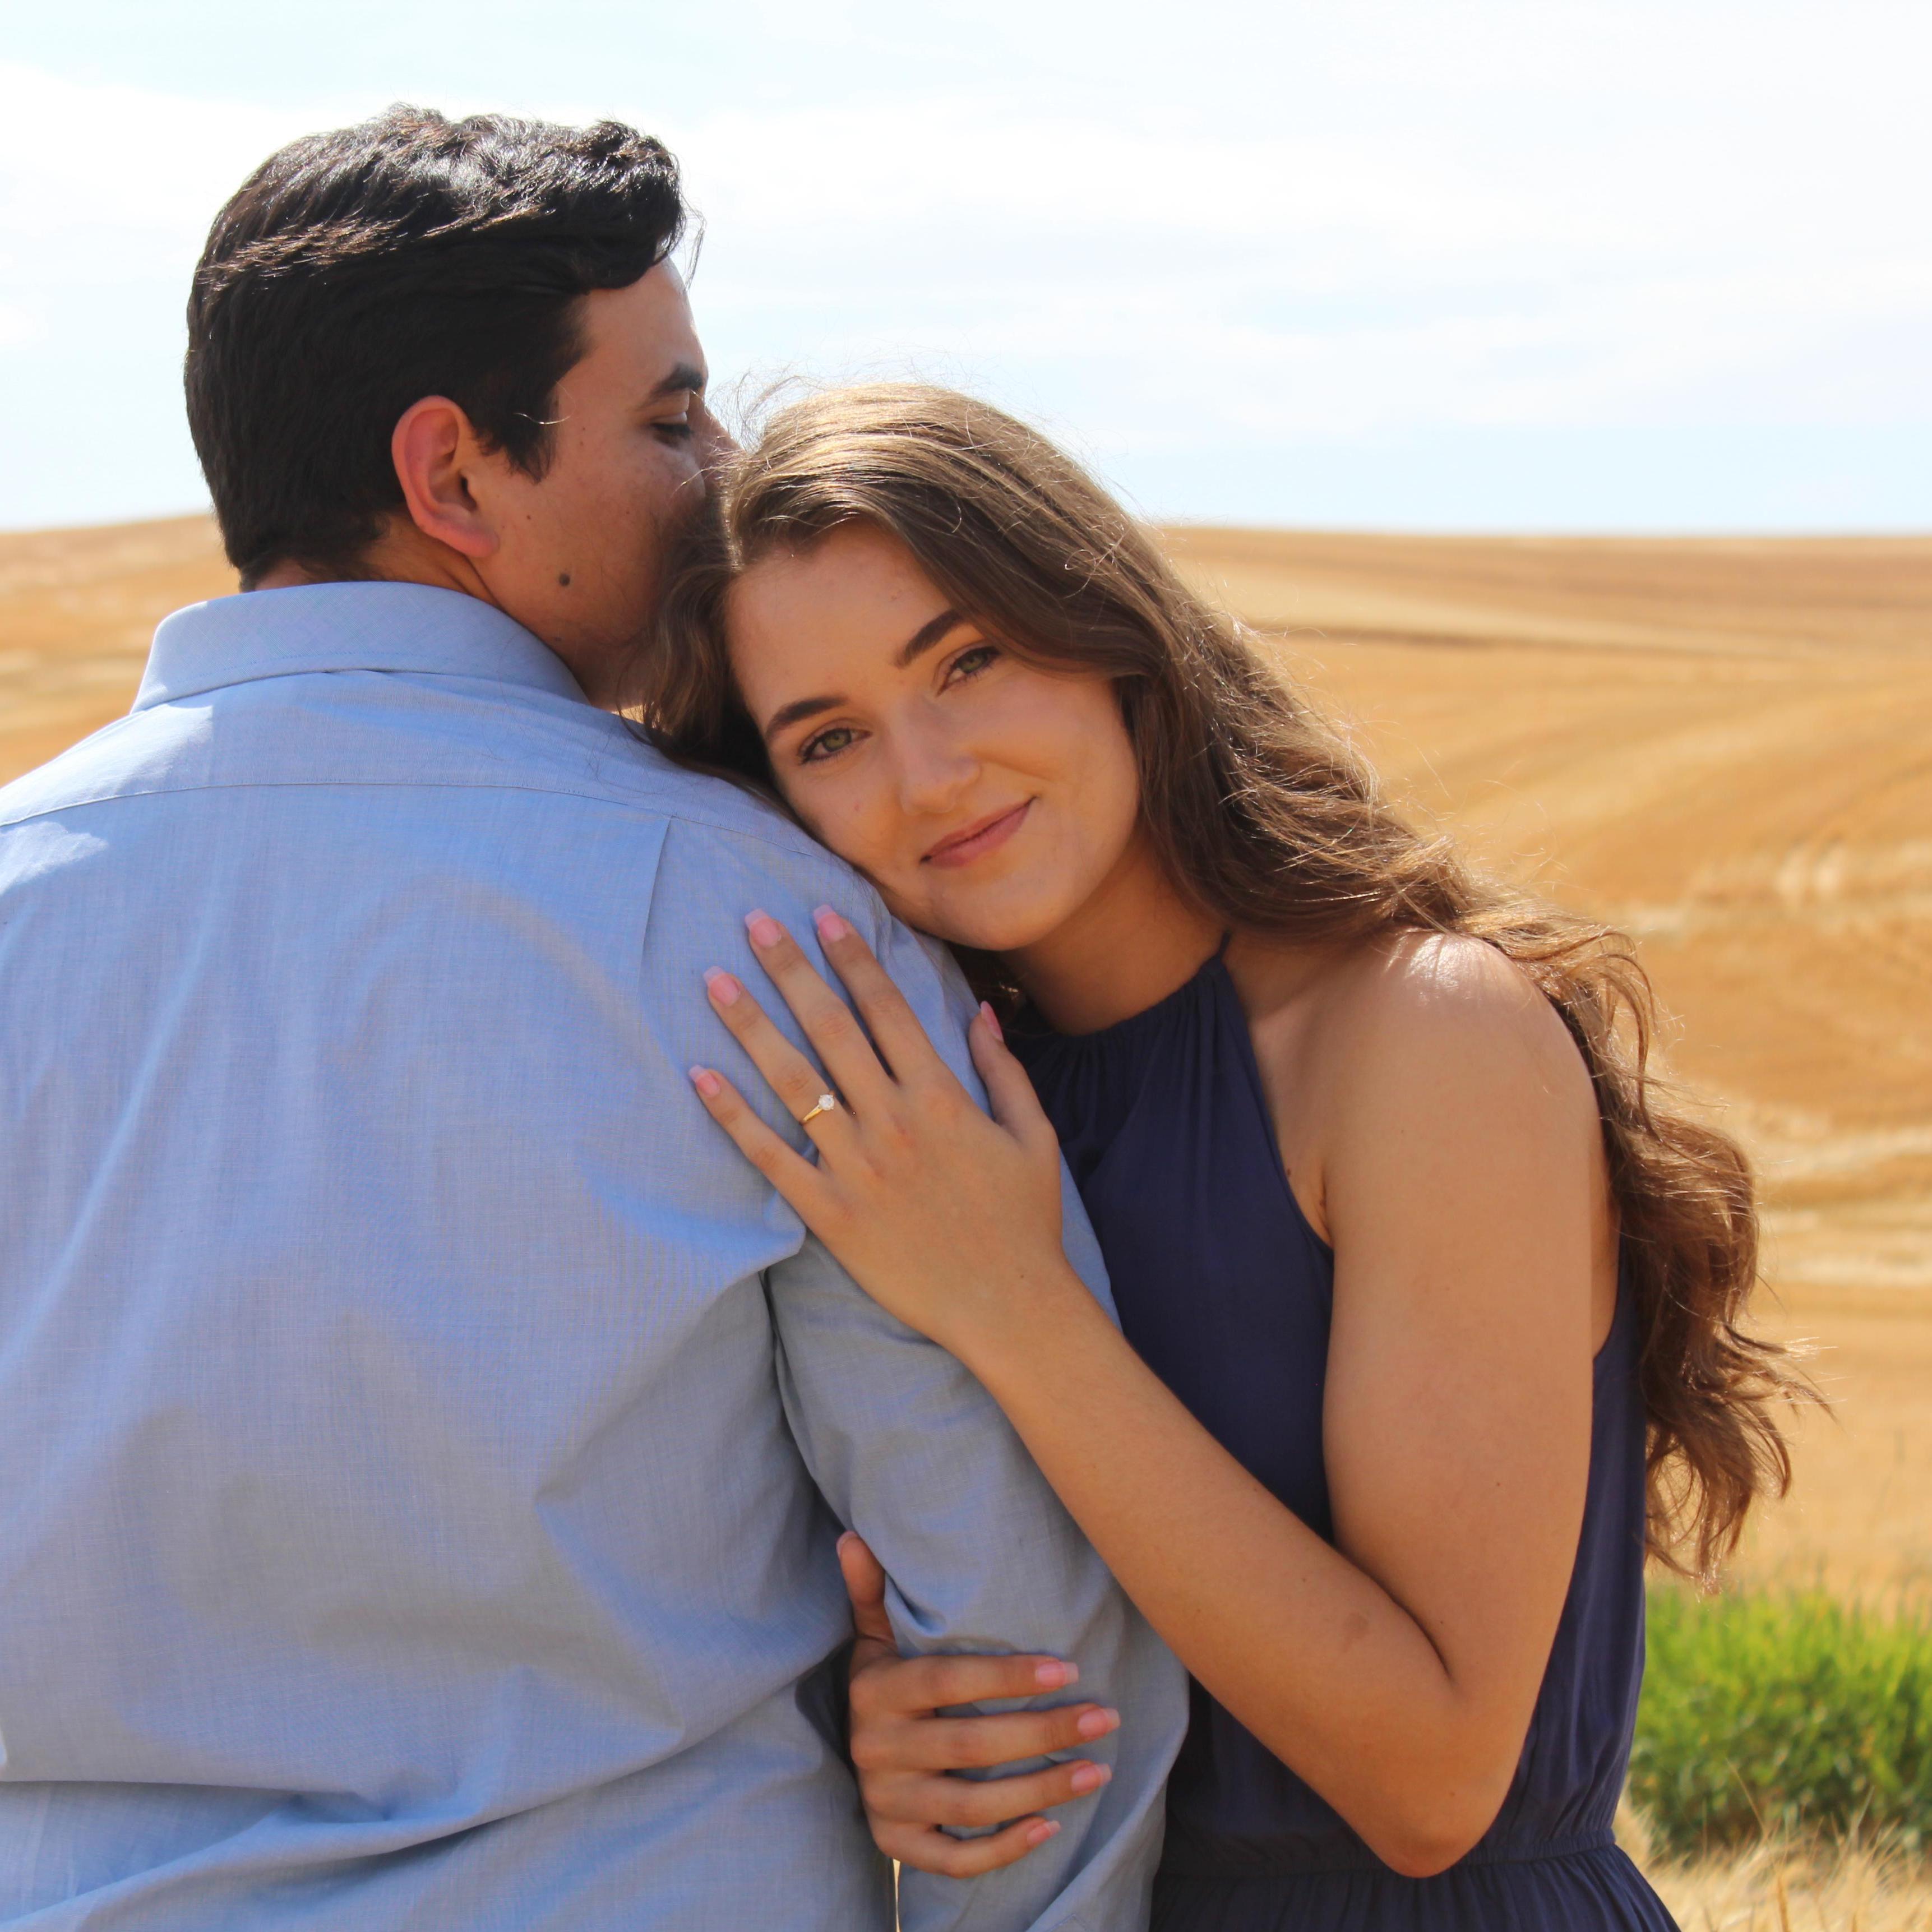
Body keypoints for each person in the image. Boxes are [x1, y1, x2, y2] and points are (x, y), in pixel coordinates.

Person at [0, 118, 1186, 1929]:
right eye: (666, 421)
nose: (719, 477)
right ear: (455, 478)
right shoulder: (772, 929)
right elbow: (1025, 1662)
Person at [650, 383, 1809, 1930]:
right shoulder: (939, 1127)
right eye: (831, 737)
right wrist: (897, 1727)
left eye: (968, 660)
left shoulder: (1415, 1037)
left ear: (1107, 628)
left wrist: (1011, 1302)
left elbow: (1432, 1778)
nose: (926, 776)